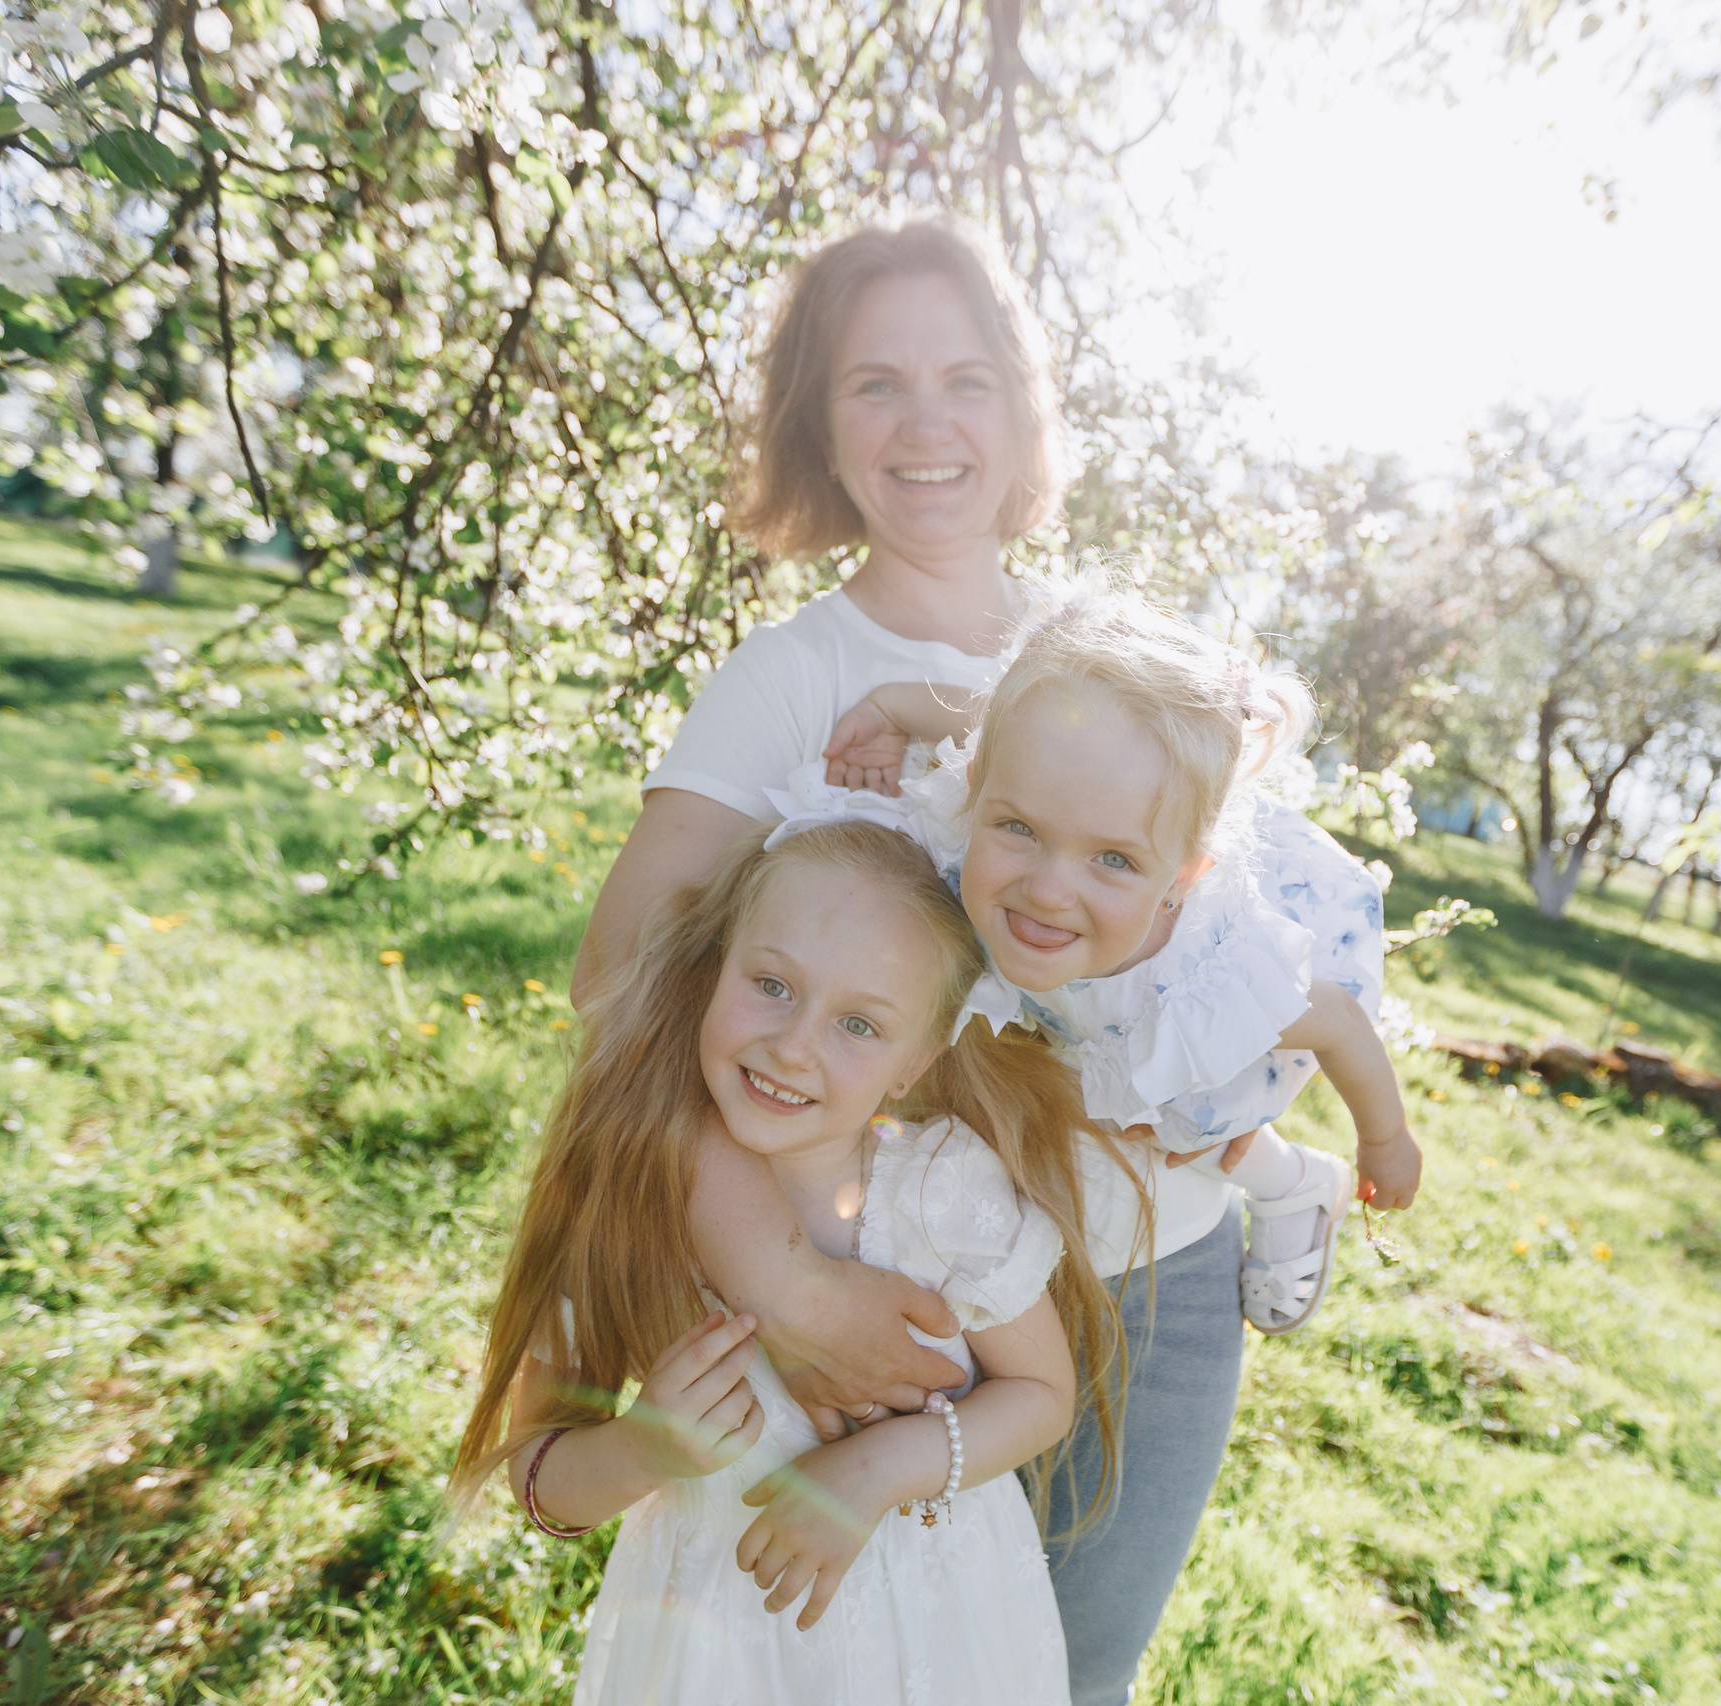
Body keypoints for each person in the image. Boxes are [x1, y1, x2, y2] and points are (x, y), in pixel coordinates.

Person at [572, 219, 1251, 1705]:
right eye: (874, 383)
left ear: (1023, 412)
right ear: (819, 422)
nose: (927, 423)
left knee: (1067, 1676)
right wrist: (776, 1272)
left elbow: (1232, 914)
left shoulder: (1110, 656)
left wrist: (1255, 1081)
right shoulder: (790, 678)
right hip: (895, 1289)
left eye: (965, 378)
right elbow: (616, 984)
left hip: (1160, 1274)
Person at [453, 817, 1130, 1703]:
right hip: (715, 1641)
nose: (795, 1044)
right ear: (714, 969)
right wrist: (641, 1449)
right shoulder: (628, 1200)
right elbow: (538, 1476)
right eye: (771, 984)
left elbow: (1042, 1397)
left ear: (913, 1062)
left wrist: (876, 1470)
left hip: (938, 1629)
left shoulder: (940, 1187)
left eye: (858, 1023)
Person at [822, 589, 1427, 1336]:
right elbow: (981, 714)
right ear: (977, 791)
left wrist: (1386, 1140)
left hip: (1185, 997)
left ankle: (1292, 1184)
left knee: (1171, 1121)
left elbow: (1338, 1024)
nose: (1047, 891)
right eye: (1018, 827)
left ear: (1182, 875)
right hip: (1094, 963)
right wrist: (887, 708)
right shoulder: (994, 797)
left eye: (1112, 858)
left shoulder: (1212, 975)